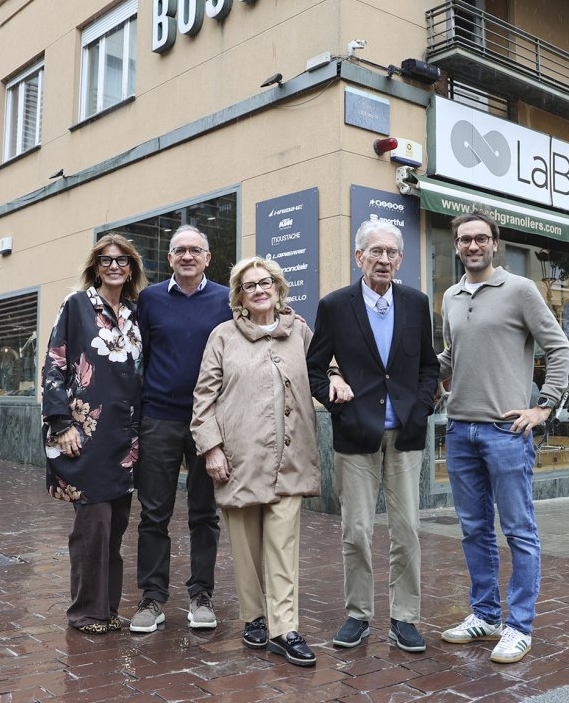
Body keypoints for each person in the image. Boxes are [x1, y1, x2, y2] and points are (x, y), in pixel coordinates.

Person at [436, 210, 569, 664]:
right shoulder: (451, 296)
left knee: (519, 531)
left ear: (495, 244)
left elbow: (559, 348)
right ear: (456, 246)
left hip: (505, 430)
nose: (472, 246)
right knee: (474, 530)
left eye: (480, 239)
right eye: (464, 240)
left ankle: (518, 626)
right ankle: (485, 615)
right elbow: (450, 357)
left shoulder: (520, 289)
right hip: (459, 430)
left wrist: (544, 406)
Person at [306, 220, 439, 653]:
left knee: (407, 531)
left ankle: (405, 618)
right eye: (375, 252)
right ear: (358, 257)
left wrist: (420, 408)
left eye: (391, 253)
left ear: (400, 259)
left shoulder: (417, 303)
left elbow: (428, 368)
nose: (384, 259)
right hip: (356, 432)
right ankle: (358, 615)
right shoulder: (335, 305)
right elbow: (312, 368)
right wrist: (333, 393)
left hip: (405, 433)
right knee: (357, 531)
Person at [191, 257, 321, 667]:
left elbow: (324, 368)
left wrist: (335, 378)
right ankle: (254, 618)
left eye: (266, 283)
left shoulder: (299, 331)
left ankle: (285, 629)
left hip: (291, 456)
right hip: (238, 458)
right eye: (250, 286)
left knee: (282, 544)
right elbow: (203, 398)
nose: (260, 289)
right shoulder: (223, 336)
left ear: (279, 288)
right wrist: (211, 448)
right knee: (245, 548)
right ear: (239, 297)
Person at [41, 234, 147, 634]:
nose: (115, 266)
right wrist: (61, 424)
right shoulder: (76, 306)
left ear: (132, 268)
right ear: (96, 265)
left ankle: (108, 609)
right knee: (93, 524)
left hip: (126, 438)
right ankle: (86, 612)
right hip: (82, 434)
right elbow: (54, 365)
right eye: (107, 260)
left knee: (116, 526)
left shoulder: (137, 314)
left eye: (122, 260)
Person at [130, 225, 231, 632]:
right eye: (179, 251)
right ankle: (152, 599)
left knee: (205, 513)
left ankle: (201, 595)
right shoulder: (150, 300)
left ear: (208, 258)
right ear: (169, 259)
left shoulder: (226, 298)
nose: (187, 256)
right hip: (160, 418)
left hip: (210, 420)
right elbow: (142, 358)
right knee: (154, 513)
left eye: (195, 250)